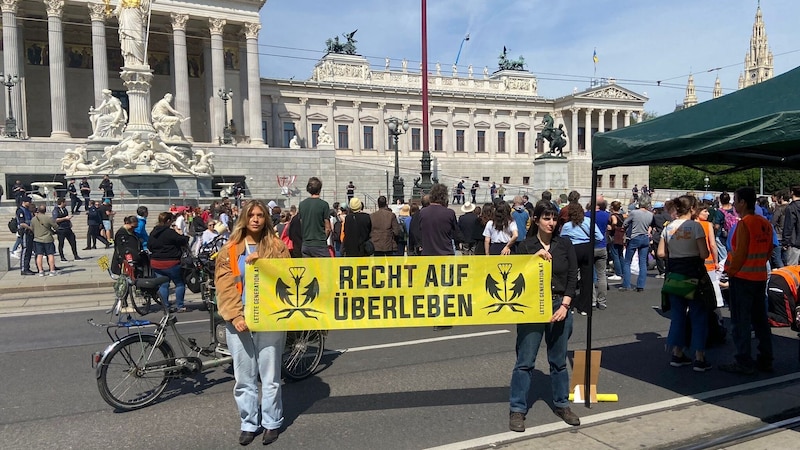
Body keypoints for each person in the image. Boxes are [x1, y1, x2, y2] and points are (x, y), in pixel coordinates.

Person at [214, 200, 290, 446]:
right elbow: (224, 286)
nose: (256, 219)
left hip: (269, 319)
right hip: (239, 320)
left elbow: (290, 276)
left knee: (270, 376)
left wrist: (266, 261)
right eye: (251, 215)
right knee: (244, 377)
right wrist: (235, 315)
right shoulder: (231, 249)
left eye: (260, 215)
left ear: (266, 218)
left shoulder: (277, 246)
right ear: (244, 219)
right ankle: (248, 422)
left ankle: (271, 422)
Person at [509, 200, 580, 432]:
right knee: (525, 361)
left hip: (559, 304)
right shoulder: (525, 246)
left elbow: (572, 276)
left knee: (558, 360)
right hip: (532, 306)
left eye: (554, 218)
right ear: (537, 220)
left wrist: (566, 305)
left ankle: (562, 403)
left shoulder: (565, 244)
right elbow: (513, 277)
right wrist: (532, 259)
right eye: (546, 218)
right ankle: (518, 409)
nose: (551, 223)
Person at [720, 187, 774, 375]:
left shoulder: (745, 224)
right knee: (760, 321)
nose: (734, 204)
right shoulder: (765, 223)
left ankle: (744, 361)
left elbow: (740, 253)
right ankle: (766, 358)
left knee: (741, 321)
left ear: (743, 202)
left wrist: (730, 272)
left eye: (736, 200)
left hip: (743, 278)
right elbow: (769, 249)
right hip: (759, 276)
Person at [657, 195, 712, 372]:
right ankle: (699, 357)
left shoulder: (669, 227)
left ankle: (677, 352)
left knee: (678, 315)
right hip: (693, 273)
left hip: (674, 274)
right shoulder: (695, 227)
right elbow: (704, 254)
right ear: (692, 209)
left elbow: (660, 253)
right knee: (698, 315)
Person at [561, 202, 604, 313]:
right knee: (587, 278)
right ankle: (584, 307)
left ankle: (569, 305)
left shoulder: (567, 226)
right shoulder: (589, 221)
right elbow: (600, 236)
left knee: (571, 276)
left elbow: (562, 239)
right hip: (587, 248)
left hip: (574, 248)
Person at [148, 212, 190, 313]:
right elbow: (183, 240)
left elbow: (149, 246)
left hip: (156, 262)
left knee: (163, 285)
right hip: (171, 262)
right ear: (168, 221)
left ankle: (165, 307)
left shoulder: (153, 232)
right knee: (179, 283)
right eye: (171, 221)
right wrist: (180, 232)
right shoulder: (170, 232)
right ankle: (180, 306)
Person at [621, 199, 653, 292]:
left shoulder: (634, 213)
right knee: (642, 262)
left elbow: (625, 223)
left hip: (635, 237)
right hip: (645, 237)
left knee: (627, 262)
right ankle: (640, 285)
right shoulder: (650, 215)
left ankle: (626, 284)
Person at [298, 177, 331, 258]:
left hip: (306, 244)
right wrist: (323, 239)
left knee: (309, 270)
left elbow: (302, 223)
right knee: (327, 269)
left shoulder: (302, 204)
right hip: (320, 244)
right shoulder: (324, 205)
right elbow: (328, 228)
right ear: (319, 189)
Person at [587, 198, 610, 310]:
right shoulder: (606, 215)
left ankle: (592, 300)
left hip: (590, 246)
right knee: (602, 275)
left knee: (589, 275)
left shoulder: (586, 215)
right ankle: (602, 301)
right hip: (602, 245)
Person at [114, 0, 151, 67]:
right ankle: (129, 61)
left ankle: (140, 61)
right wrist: (114, 12)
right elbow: (118, 8)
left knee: (138, 40)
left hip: (136, 17)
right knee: (128, 38)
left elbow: (145, 6)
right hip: (126, 17)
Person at [31, 205, 58, 277]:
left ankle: (41, 271)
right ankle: (52, 270)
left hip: (37, 239)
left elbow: (32, 228)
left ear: (38, 210)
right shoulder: (48, 218)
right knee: (50, 254)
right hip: (48, 239)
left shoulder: (33, 219)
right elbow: (56, 227)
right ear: (45, 210)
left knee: (39, 255)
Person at [52, 197, 82, 262]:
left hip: (67, 228)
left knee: (73, 241)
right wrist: (65, 218)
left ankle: (76, 255)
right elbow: (55, 220)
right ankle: (62, 257)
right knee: (61, 243)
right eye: (65, 202)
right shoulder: (56, 210)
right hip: (61, 229)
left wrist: (69, 222)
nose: (66, 203)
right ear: (62, 202)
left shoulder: (65, 209)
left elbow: (67, 217)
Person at [16, 196, 36, 275]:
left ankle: (27, 267)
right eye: (29, 202)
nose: (30, 203)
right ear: (24, 202)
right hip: (24, 232)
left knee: (29, 251)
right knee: (25, 250)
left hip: (29, 232)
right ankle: (24, 269)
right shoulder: (20, 210)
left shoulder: (28, 210)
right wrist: (30, 228)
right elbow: (22, 223)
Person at [781, 185, 800, 266]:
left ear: (792, 193)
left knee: (792, 269)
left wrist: (785, 242)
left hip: (794, 243)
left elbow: (789, 226)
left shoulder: (791, 207)